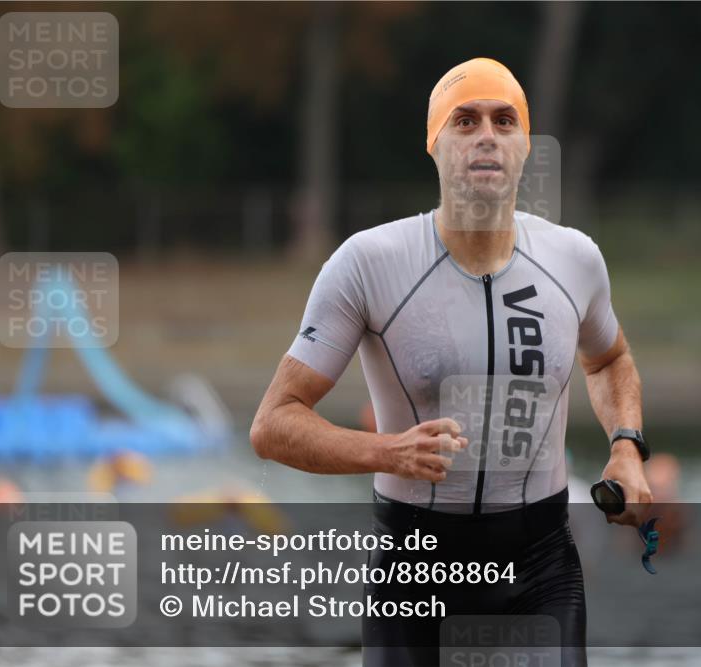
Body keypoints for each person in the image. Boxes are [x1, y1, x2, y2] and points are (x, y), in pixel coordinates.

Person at [251, 56, 651, 667]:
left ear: (525, 147)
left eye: (504, 120)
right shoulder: (369, 263)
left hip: (539, 563)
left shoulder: (575, 260)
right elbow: (273, 424)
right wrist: (387, 451)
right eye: (465, 121)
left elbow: (610, 360)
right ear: (434, 145)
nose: (486, 135)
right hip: (414, 568)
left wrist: (625, 445)